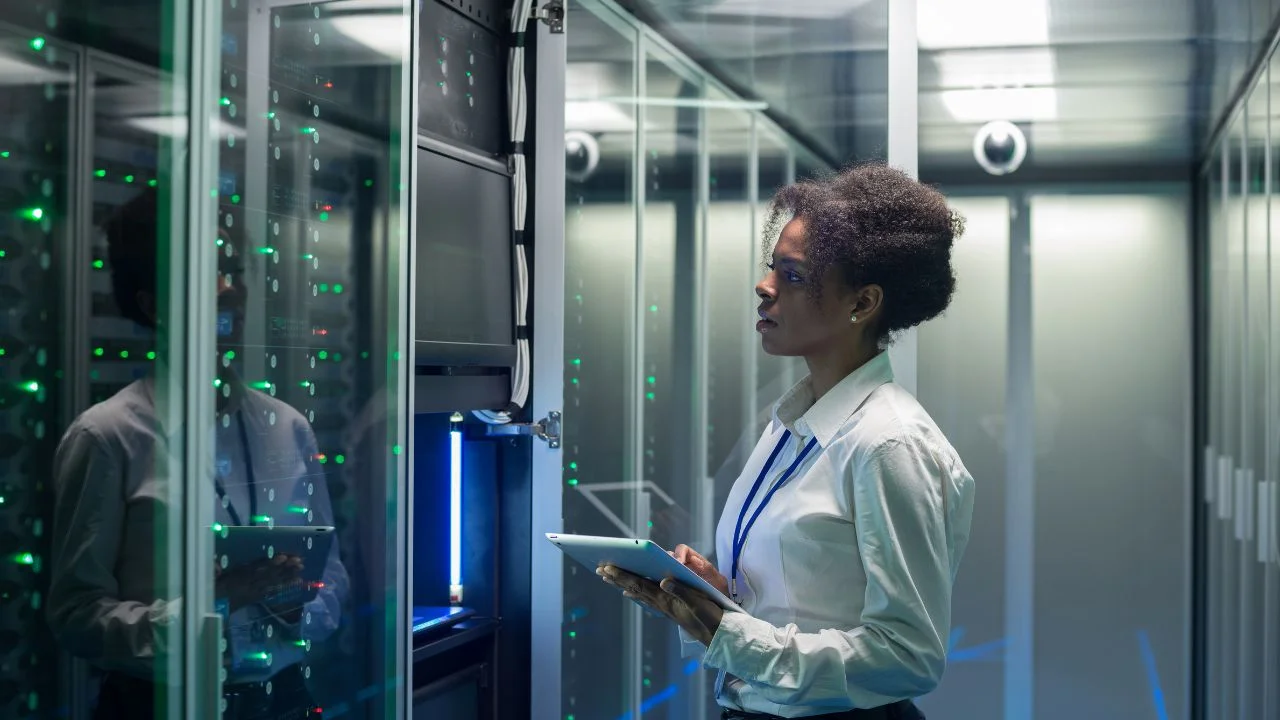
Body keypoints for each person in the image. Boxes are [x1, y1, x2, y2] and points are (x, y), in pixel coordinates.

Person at [599, 163, 974, 719]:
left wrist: (730, 634)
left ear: (862, 303)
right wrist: (718, 596)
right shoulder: (791, 423)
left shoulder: (890, 444)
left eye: (794, 276)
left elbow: (908, 657)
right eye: (772, 267)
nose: (764, 286)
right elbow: (805, 603)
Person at [46, 188, 348, 719]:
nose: (232, 289)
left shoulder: (288, 427)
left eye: (234, 270)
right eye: (210, 271)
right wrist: (214, 603)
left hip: (284, 700)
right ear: (153, 304)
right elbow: (76, 617)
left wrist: (294, 605)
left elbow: (334, 578)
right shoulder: (108, 436)